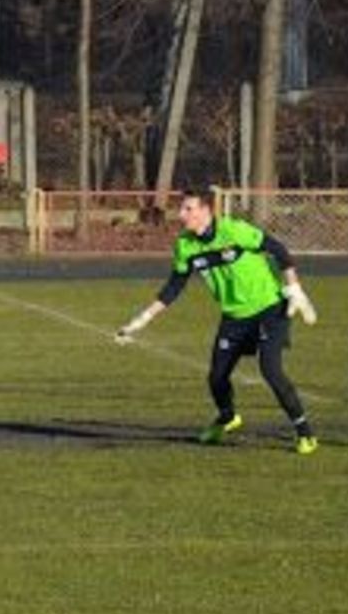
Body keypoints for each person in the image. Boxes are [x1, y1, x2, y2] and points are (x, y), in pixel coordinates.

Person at [115, 186, 319, 454]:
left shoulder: (233, 231)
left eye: (188, 208)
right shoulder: (185, 246)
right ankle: (227, 417)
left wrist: (294, 287)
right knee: (217, 377)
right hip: (234, 316)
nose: (182, 214)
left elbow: (278, 249)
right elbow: (174, 287)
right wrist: (140, 320)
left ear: (205, 210)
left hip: (270, 308)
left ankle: (305, 432)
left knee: (270, 369)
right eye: (182, 208)